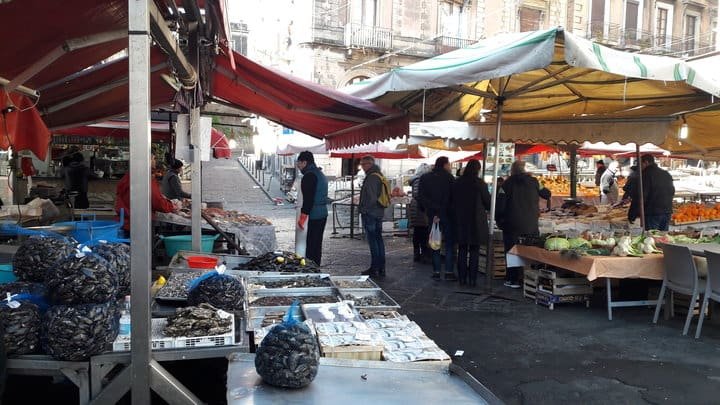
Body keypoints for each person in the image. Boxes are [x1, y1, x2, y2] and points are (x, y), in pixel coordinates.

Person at [496, 160, 551, 288]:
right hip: (531, 224)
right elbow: (547, 194)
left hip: (512, 224)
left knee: (512, 251)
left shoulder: (506, 185)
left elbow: (500, 206)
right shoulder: (534, 181)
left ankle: (513, 279)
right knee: (531, 250)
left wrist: (500, 220)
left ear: (512, 170)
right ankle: (531, 279)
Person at [452, 160, 491, 287]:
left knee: (462, 250)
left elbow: (451, 201)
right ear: (478, 170)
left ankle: (462, 278)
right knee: (474, 250)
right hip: (476, 221)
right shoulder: (480, 184)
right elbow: (488, 202)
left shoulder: (457, 183)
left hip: (460, 220)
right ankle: (473, 279)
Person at [115, 154, 177, 231]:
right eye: (153, 159)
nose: (155, 161)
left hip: (124, 222)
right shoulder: (146, 178)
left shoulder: (129, 176)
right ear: (147, 160)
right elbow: (157, 202)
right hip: (139, 223)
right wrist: (172, 206)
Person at [419, 156, 457, 281]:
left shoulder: (425, 178)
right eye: (449, 164)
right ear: (445, 165)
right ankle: (449, 271)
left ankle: (436, 271)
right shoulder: (450, 178)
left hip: (432, 215)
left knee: (435, 242)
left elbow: (421, 197)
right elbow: (452, 199)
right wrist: (442, 213)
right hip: (447, 215)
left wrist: (432, 212)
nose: (450, 167)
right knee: (449, 244)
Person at [296, 151, 328, 266]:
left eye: (299, 163)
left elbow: (308, 199)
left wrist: (303, 217)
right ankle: (316, 267)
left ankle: (311, 269)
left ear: (304, 162)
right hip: (323, 213)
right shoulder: (320, 173)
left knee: (311, 245)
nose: (298, 166)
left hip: (314, 215)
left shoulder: (309, 176)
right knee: (317, 244)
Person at [358, 155, 386, 277]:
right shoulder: (378, 175)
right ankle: (381, 268)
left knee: (374, 241)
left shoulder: (372, 177)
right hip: (378, 212)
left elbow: (372, 197)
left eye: (364, 164)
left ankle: (375, 267)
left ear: (370, 164)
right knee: (378, 240)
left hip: (371, 213)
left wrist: (364, 210)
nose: (362, 167)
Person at [640, 154, 674, 230]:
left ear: (646, 162)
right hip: (667, 211)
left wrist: (634, 213)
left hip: (653, 212)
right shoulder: (666, 173)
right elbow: (672, 191)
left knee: (652, 238)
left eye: (640, 164)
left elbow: (643, 195)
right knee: (663, 237)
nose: (640, 166)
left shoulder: (646, 174)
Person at [408, 163, 431, 263]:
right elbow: (418, 194)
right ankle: (422, 254)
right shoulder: (420, 180)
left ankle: (418, 253)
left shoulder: (416, 180)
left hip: (417, 207)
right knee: (422, 231)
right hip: (420, 208)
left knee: (418, 231)